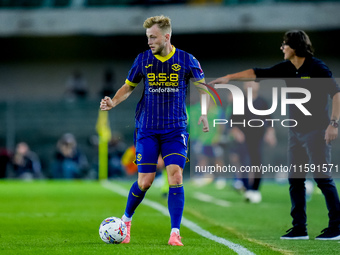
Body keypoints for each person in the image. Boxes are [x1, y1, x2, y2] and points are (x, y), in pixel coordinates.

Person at [210, 30, 340, 240]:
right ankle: (300, 228)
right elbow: (256, 72)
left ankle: (337, 227)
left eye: (284, 44)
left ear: (295, 47)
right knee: (295, 180)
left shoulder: (317, 67)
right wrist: (229, 78)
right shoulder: (287, 68)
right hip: (296, 132)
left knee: (322, 177)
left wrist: (333, 124)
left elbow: (336, 93)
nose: (281, 48)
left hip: (317, 131)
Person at [100, 15, 209, 246]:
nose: (149, 41)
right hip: (147, 128)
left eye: (153, 37)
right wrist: (113, 102)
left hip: (175, 129)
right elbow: (128, 87)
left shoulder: (187, 60)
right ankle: (126, 221)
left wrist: (204, 112)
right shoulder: (142, 60)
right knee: (145, 181)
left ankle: (175, 232)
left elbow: (203, 88)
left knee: (176, 175)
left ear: (166, 37)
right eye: (147, 37)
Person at [228, 81, 277, 203]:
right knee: (244, 162)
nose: (250, 86)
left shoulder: (263, 102)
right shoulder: (239, 101)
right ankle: (247, 188)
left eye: (252, 83)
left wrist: (270, 133)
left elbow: (269, 120)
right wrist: (236, 132)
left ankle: (255, 189)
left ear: (258, 86)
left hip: (258, 137)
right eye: (247, 83)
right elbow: (233, 121)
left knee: (257, 162)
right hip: (243, 137)